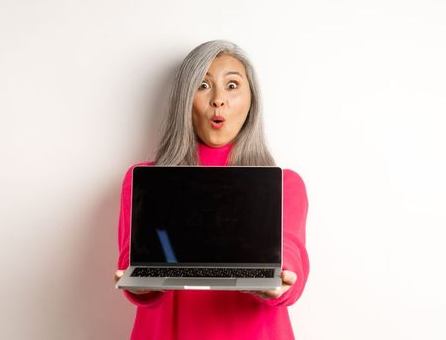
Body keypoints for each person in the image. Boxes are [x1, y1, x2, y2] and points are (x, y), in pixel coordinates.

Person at [113, 40, 310, 340]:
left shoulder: (286, 184)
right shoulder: (145, 180)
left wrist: (281, 277)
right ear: (184, 99)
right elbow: (132, 259)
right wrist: (139, 281)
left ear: (251, 100)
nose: (219, 100)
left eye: (232, 85)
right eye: (203, 85)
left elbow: (291, 251)